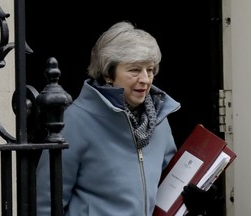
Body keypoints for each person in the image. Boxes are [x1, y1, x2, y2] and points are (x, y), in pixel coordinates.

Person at [36, 21, 217, 216]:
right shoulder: (75, 121)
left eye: (150, 70)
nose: (145, 79)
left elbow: (169, 188)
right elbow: (46, 204)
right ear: (108, 73)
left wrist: (195, 202)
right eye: (134, 70)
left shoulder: (159, 120)